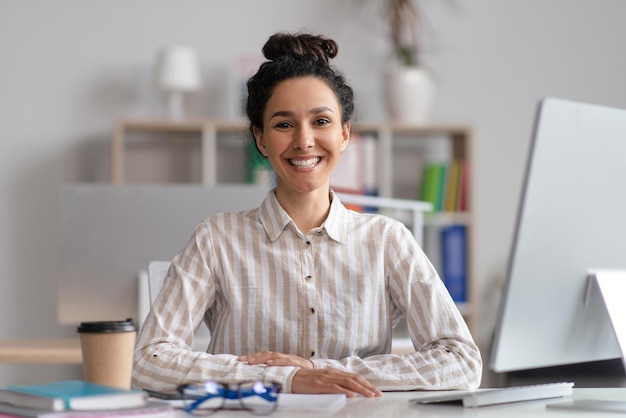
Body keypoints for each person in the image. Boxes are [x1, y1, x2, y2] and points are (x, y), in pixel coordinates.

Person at [132, 32, 482, 398]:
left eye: (321, 122)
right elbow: (150, 359)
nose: (304, 140)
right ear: (261, 139)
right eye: (284, 124)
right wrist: (283, 377)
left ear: (345, 134)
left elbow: (462, 361)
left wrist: (323, 371)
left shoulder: (387, 240)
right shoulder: (216, 238)